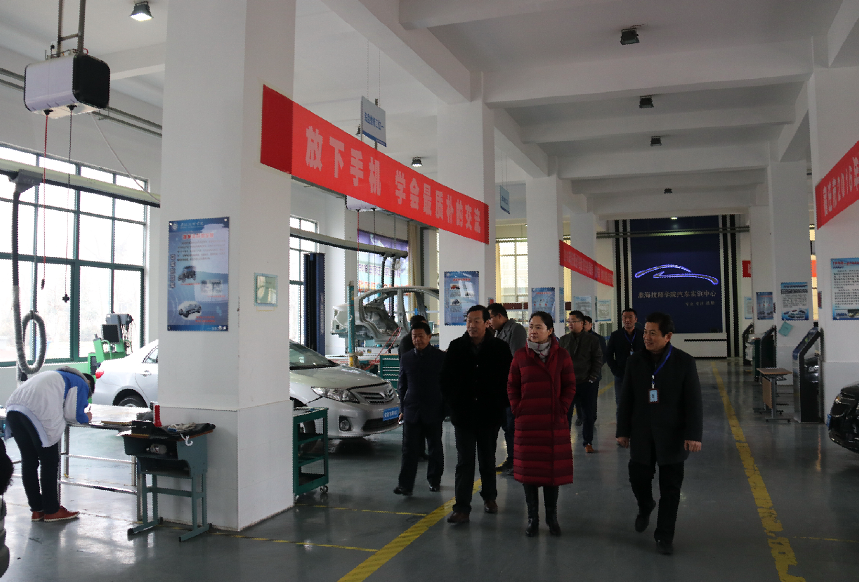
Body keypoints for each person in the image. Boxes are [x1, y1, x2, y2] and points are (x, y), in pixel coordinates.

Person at [616, 312, 703, 555]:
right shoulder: (635, 361)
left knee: (671, 489)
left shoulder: (684, 362)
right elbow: (626, 399)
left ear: (668, 336)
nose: (646, 337)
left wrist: (694, 434)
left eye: (652, 333)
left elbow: (693, 402)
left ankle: (664, 535)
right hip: (642, 434)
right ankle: (645, 505)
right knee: (638, 478)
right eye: (645, 332)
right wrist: (622, 431)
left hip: (672, 436)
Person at [441, 305, 513, 524]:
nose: (471, 325)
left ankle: (489, 497)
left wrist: (501, 405)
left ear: (486, 323)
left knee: (487, 458)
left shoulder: (499, 348)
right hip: (463, 415)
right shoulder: (456, 347)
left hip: (489, 414)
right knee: (464, 461)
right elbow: (445, 380)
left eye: (476, 321)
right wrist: (453, 404)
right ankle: (462, 507)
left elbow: (508, 380)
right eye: (469, 321)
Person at [507, 311, 576, 537]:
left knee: (551, 474)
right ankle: (533, 518)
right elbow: (512, 386)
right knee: (529, 474)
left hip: (552, 423)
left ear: (550, 331)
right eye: (531, 327)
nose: (533, 331)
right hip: (527, 423)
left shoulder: (562, 355)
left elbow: (570, 385)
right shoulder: (520, 355)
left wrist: (562, 408)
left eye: (538, 327)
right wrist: (518, 409)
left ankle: (552, 518)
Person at [5, 367, 95, 522]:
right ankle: (52, 511)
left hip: (13, 409)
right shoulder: (81, 383)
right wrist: (87, 416)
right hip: (38, 413)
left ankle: (37, 509)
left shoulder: (55, 375)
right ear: (88, 384)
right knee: (49, 462)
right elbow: (73, 415)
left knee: (29, 461)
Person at [394, 322, 446, 495]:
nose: (417, 340)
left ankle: (434, 480)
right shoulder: (407, 358)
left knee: (434, 448)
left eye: (421, 336)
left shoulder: (440, 357)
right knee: (408, 449)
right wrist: (402, 408)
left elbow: (447, 385)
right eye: (414, 336)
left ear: (429, 337)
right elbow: (402, 385)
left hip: (433, 409)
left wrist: (445, 408)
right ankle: (405, 485)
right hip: (412, 410)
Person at [487, 303, 527, 475]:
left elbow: (516, 359)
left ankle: (517, 461)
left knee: (512, 426)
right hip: (501, 388)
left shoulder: (516, 330)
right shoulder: (498, 332)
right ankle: (511, 459)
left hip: (512, 386)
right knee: (506, 426)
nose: (489, 322)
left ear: (499, 316)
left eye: (490, 318)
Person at [560, 310, 602, 453]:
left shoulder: (592, 340)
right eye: (569, 321)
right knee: (566, 414)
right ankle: (564, 442)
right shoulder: (564, 340)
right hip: (568, 384)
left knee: (587, 414)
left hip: (586, 383)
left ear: (582, 323)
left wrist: (592, 377)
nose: (570, 324)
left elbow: (597, 359)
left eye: (573, 321)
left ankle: (587, 442)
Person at [605, 308, 646, 420]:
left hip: (640, 375)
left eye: (630, 317)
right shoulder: (616, 335)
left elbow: (648, 353)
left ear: (636, 319)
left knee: (640, 402)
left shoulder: (642, 335)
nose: (627, 320)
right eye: (624, 317)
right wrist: (615, 371)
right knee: (621, 403)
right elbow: (608, 354)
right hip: (621, 375)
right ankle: (622, 428)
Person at [582, 315, 607, 422]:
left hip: (594, 373)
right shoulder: (576, 338)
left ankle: (592, 416)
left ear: (591, 325)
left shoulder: (598, 339)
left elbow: (603, 356)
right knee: (580, 397)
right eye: (581, 324)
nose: (583, 326)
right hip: (579, 374)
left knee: (592, 397)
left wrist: (595, 368)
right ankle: (581, 417)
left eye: (585, 324)